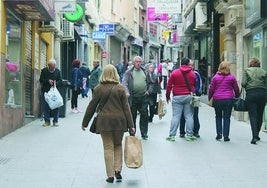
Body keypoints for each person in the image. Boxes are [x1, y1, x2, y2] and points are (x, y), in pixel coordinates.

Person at [81, 64, 135, 183]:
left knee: (108, 147)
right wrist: (131, 125)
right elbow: (126, 108)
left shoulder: (98, 89)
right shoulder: (120, 88)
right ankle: (117, 170)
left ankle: (110, 175)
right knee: (117, 145)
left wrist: (85, 122)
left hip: (104, 122)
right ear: (115, 74)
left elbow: (91, 107)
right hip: (119, 122)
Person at [165, 57, 196, 142]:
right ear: (188, 63)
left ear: (181, 63)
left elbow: (169, 86)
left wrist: (167, 96)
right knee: (189, 116)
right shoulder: (192, 74)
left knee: (176, 116)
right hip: (188, 96)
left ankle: (172, 135)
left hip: (177, 96)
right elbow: (194, 85)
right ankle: (189, 135)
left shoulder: (175, 73)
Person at [208, 61, 240, 142]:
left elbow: (211, 89)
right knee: (227, 117)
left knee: (218, 116)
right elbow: (236, 89)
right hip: (228, 99)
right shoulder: (232, 77)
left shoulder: (215, 77)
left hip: (217, 99)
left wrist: (210, 98)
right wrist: (237, 97)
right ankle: (226, 136)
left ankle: (219, 134)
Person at [122, 56, 150, 140]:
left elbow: (152, 82)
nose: (138, 63)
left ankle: (144, 133)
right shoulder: (129, 72)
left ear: (141, 63)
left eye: (139, 62)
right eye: (136, 61)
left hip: (143, 97)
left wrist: (149, 90)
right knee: (132, 116)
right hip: (133, 98)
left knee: (144, 115)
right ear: (134, 63)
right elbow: (124, 83)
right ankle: (132, 133)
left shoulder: (145, 71)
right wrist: (126, 91)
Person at [241, 57, 267, 144]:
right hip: (262, 94)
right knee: (260, 115)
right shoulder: (263, 71)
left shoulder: (246, 70)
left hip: (251, 94)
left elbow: (243, 83)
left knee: (253, 115)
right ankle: (257, 134)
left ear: (250, 64)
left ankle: (254, 136)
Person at [179, 59, 202, 138]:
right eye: (189, 65)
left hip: (194, 97)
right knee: (183, 114)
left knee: (195, 114)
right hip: (184, 96)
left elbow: (199, 86)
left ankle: (195, 131)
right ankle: (182, 131)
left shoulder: (196, 74)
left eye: (192, 65)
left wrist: (194, 92)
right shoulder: (181, 73)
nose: (191, 67)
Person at [39, 59, 62, 127]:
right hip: (45, 91)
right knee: (45, 106)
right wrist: (47, 81)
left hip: (54, 92)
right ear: (48, 66)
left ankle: (55, 121)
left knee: (56, 106)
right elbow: (41, 80)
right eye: (50, 67)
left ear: (55, 66)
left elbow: (60, 80)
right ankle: (47, 121)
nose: (52, 68)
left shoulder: (57, 71)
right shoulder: (44, 71)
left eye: (53, 67)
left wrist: (55, 83)